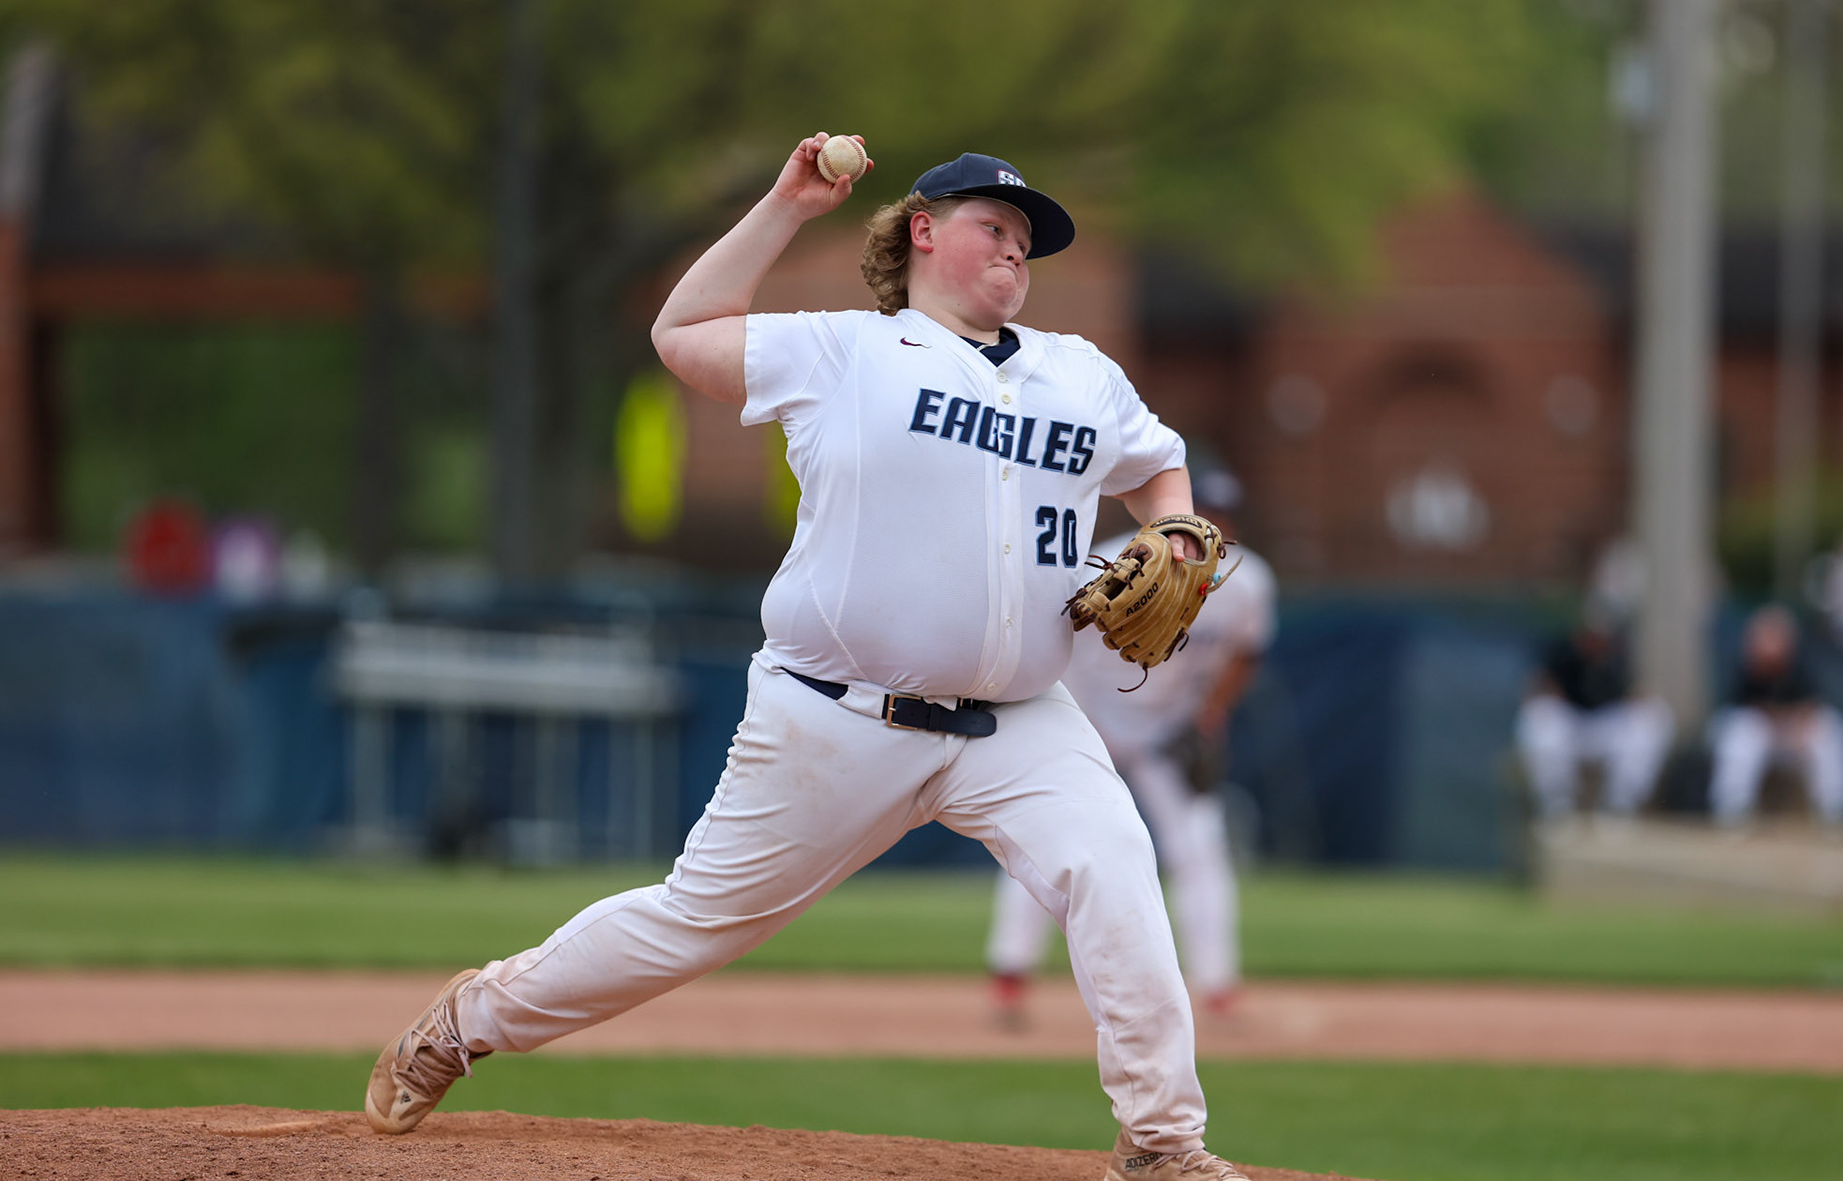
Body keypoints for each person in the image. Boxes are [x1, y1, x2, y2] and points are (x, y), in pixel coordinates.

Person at [363, 134, 1255, 1181]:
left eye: (1028, 241)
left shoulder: (1079, 372)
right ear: (924, 230)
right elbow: (682, 329)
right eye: (995, 229)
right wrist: (788, 204)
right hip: (838, 715)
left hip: (1021, 720)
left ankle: (1160, 1141)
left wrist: (1183, 530)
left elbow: (1160, 464)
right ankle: (465, 1023)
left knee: (1116, 862)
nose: (1017, 253)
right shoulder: (844, 350)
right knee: (695, 921)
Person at [986, 469, 1274, 1024]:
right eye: (1202, 513)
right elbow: (1054, 639)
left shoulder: (1247, 584)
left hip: (1169, 732)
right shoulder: (1117, 563)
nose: (1212, 528)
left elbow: (1246, 654)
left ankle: (1218, 988)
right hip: (1086, 721)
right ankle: (1010, 975)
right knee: (1044, 845)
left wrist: (1213, 712)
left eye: (1224, 520)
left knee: (1200, 847)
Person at [1515, 605, 1672, 817]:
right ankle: (1557, 806)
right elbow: (1537, 692)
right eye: (1591, 634)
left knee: (1655, 714)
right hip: (1571, 726)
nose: (1596, 641)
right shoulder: (1560, 653)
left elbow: (1634, 695)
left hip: (1606, 727)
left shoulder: (1618, 657)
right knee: (1541, 716)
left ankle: (1621, 806)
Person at [1710, 605, 1843, 826]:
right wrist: (1777, 722)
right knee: (1742, 734)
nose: (1771, 643)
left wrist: (1797, 725)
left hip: (1792, 735)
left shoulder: (1800, 663)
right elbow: (1738, 708)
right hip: (1759, 735)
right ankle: (1732, 815)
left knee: (1831, 728)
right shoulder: (1745, 663)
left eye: (1776, 636)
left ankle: (1837, 815)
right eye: (1765, 636)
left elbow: (1815, 703)